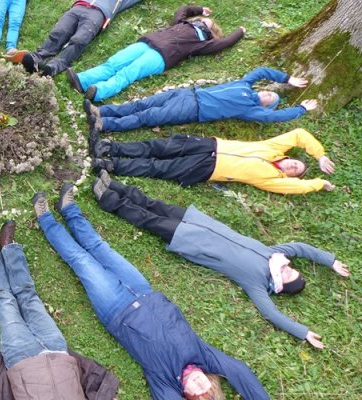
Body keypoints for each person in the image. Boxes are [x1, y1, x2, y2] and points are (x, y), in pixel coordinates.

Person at [32, 187, 270, 399]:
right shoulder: (204, 356)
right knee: (99, 246)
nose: (202, 387)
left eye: (200, 397)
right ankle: (69, 208)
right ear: (213, 381)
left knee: (81, 259)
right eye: (210, 391)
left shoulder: (164, 382)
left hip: (117, 310)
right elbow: (241, 372)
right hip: (143, 290)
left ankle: (45, 218)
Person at [92, 171, 351, 349]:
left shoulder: (257, 283)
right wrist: (330, 260)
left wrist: (302, 332)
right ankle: (116, 186)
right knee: (154, 204)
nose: (287, 268)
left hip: (191, 241)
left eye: (288, 276)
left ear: (281, 286)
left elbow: (271, 313)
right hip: (198, 221)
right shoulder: (273, 253)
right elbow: (301, 247)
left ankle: (108, 199)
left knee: (148, 219)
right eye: (291, 269)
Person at [0, 220, 120, 400]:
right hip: (57, 350)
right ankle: (8, 246)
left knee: (4, 299)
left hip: (21, 358)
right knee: (29, 296)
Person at [87, 122, 337, 194]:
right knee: (157, 146)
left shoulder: (274, 179)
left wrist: (317, 183)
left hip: (208, 167)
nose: (294, 166)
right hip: (209, 145)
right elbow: (299, 134)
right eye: (296, 162)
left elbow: (295, 188)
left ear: (292, 175)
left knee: (158, 167)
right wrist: (320, 155)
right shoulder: (272, 149)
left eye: (297, 170)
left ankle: (110, 164)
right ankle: (109, 147)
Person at [67, 5, 245, 102]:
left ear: (212, 30)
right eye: (202, 19)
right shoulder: (181, 23)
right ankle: (82, 80)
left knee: (129, 72)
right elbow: (182, 9)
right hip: (147, 43)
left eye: (208, 22)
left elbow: (224, 43)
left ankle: (98, 92)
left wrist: (240, 32)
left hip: (162, 57)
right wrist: (200, 10)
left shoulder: (202, 44)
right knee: (115, 62)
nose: (204, 21)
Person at [87, 67, 318, 132]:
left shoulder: (251, 109)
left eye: (272, 98)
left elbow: (275, 118)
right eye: (271, 91)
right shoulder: (246, 84)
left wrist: (301, 109)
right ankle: (102, 111)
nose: (269, 94)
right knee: (142, 104)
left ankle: (104, 124)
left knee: (147, 116)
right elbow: (261, 71)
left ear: (267, 105)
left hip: (192, 110)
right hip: (187, 94)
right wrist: (287, 79)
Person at [19, 0, 144, 76]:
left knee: (79, 40)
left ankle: (55, 66)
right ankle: (38, 58)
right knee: (59, 31)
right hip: (78, 7)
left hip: (98, 13)